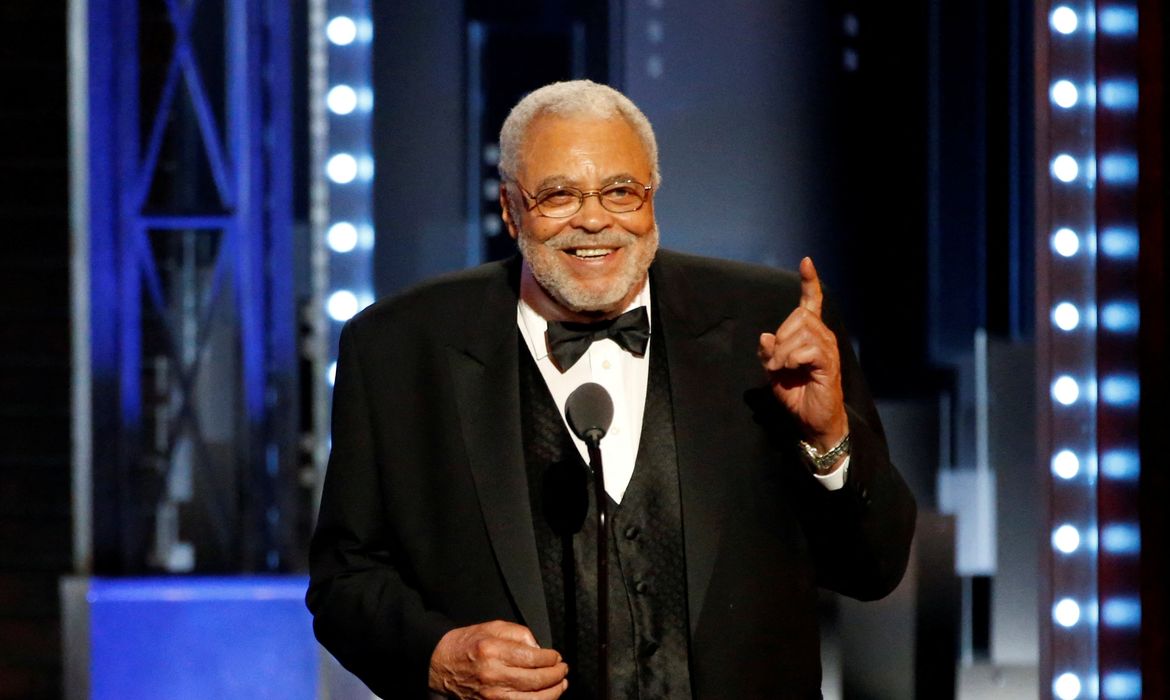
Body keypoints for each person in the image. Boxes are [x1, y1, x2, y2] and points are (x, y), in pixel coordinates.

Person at [307, 80, 916, 699]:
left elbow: (875, 568)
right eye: (559, 196)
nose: (594, 219)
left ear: (653, 198)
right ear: (511, 208)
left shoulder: (772, 322)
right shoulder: (398, 348)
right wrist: (437, 656)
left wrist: (829, 438)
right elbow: (345, 580)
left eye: (621, 192)